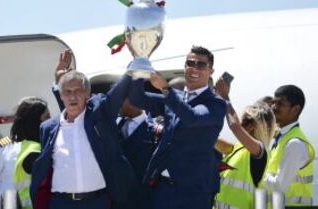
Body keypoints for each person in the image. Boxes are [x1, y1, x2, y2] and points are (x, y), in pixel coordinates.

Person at [129, 46, 226, 209]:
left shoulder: (215, 103)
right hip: (164, 187)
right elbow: (137, 98)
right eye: (190, 63)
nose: (194, 68)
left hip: (194, 193)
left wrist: (166, 89)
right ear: (184, 67)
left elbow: (192, 117)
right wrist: (139, 63)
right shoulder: (176, 97)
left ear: (211, 71)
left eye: (201, 65)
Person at [30, 69, 134, 209]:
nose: (72, 96)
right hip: (61, 203)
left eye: (77, 91)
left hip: (97, 202)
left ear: (87, 94)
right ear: (60, 95)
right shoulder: (48, 128)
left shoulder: (99, 119)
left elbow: (117, 93)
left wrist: (137, 61)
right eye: (67, 92)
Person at [0, 97, 49, 208]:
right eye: (47, 117)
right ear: (33, 120)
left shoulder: (48, 145)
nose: (50, 121)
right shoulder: (3, 148)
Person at [214, 77, 276, 209]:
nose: (241, 124)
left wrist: (225, 97)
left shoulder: (260, 151)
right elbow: (210, 138)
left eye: (244, 121)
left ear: (253, 126)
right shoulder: (238, 149)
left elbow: (235, 126)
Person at [263, 85, 315, 207]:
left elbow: (279, 187)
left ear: (296, 109)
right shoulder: (281, 138)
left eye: (280, 104)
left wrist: (260, 173)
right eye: (273, 103)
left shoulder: (295, 144)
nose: (273, 107)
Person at [13, 97, 50, 209]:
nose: (51, 120)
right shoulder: (36, 151)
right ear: (35, 122)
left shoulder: (24, 147)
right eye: (47, 117)